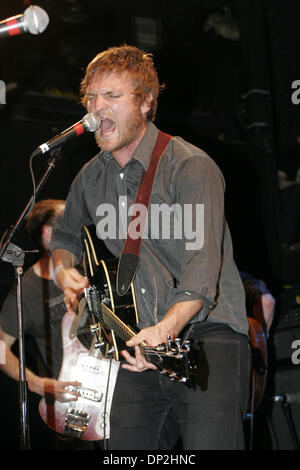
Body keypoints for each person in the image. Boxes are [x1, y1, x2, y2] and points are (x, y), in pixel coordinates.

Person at [50, 44, 251, 450]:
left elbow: (201, 267)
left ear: (144, 102)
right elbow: (65, 238)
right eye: (91, 97)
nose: (96, 108)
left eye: (112, 96)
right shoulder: (90, 178)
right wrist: (62, 270)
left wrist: (165, 329)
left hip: (206, 337)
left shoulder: (188, 166)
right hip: (138, 345)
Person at [0, 199, 100, 450]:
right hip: (76, 407)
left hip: (120, 392)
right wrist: (35, 383)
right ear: (47, 235)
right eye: (70, 223)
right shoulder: (24, 291)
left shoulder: (89, 266)